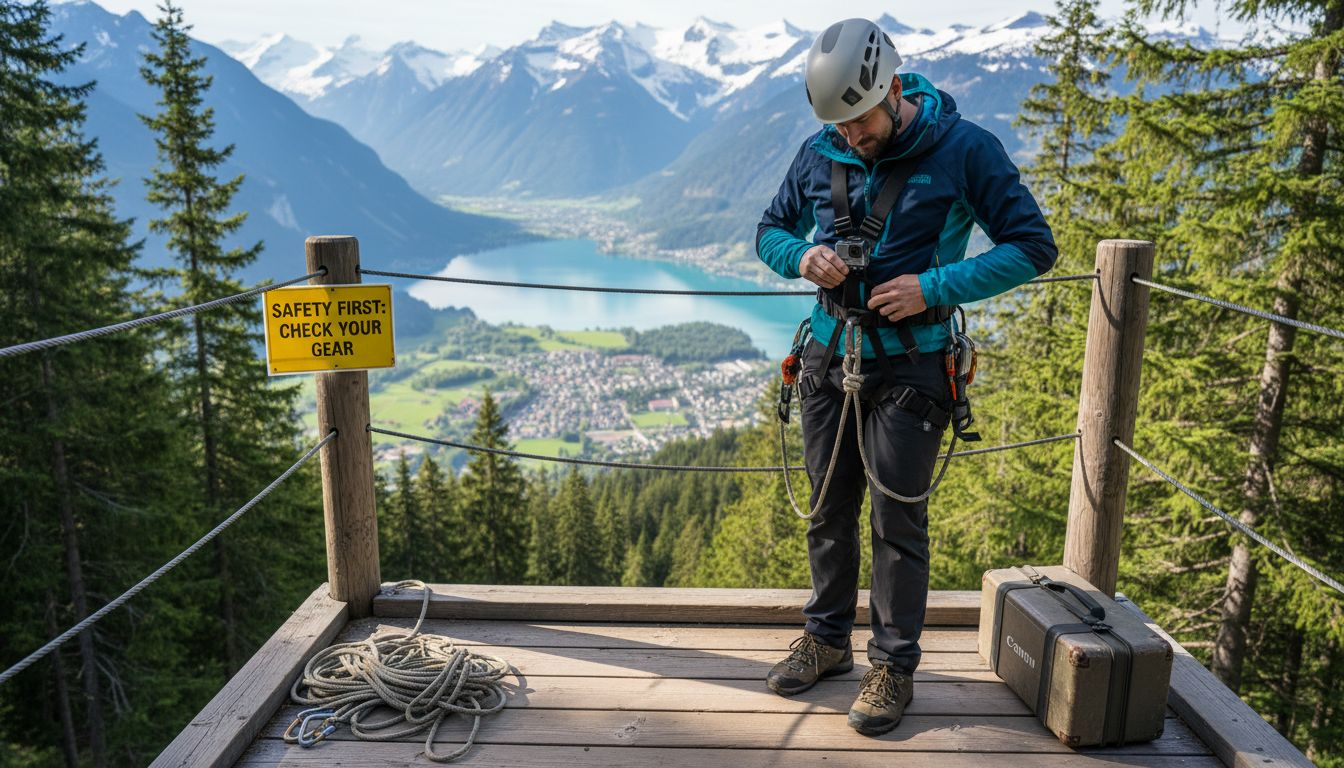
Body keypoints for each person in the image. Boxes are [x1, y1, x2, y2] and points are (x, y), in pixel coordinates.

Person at [757, 18, 1057, 736]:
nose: (851, 139)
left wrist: (936, 285)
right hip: (829, 354)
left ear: (893, 88)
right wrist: (801, 258)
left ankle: (893, 665)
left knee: (897, 518)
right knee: (828, 509)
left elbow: (1032, 247)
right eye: (838, 127)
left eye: (860, 123)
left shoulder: (964, 149)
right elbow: (770, 230)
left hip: (914, 360)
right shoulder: (821, 146)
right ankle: (827, 642)